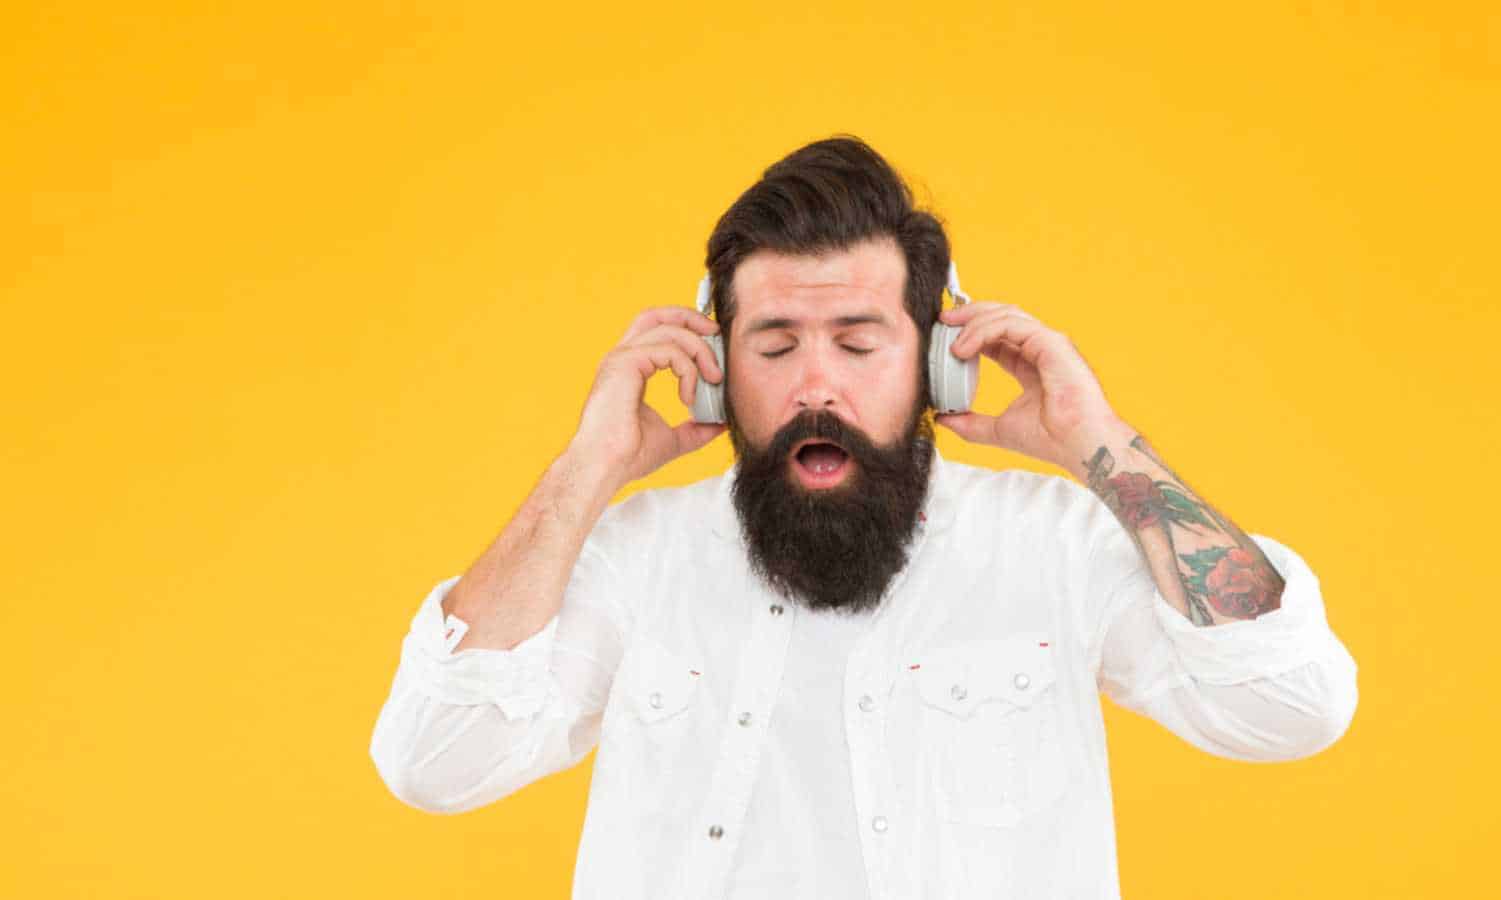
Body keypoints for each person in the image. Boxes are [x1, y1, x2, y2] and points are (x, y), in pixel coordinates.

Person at [368, 135, 1359, 899]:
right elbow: (434, 762)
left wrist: (1102, 446)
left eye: (856, 343)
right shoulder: (634, 560)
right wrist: (584, 473)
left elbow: (1287, 710)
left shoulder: (1052, 543)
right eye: (773, 343)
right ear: (712, 375)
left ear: (935, 362)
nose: (813, 384)